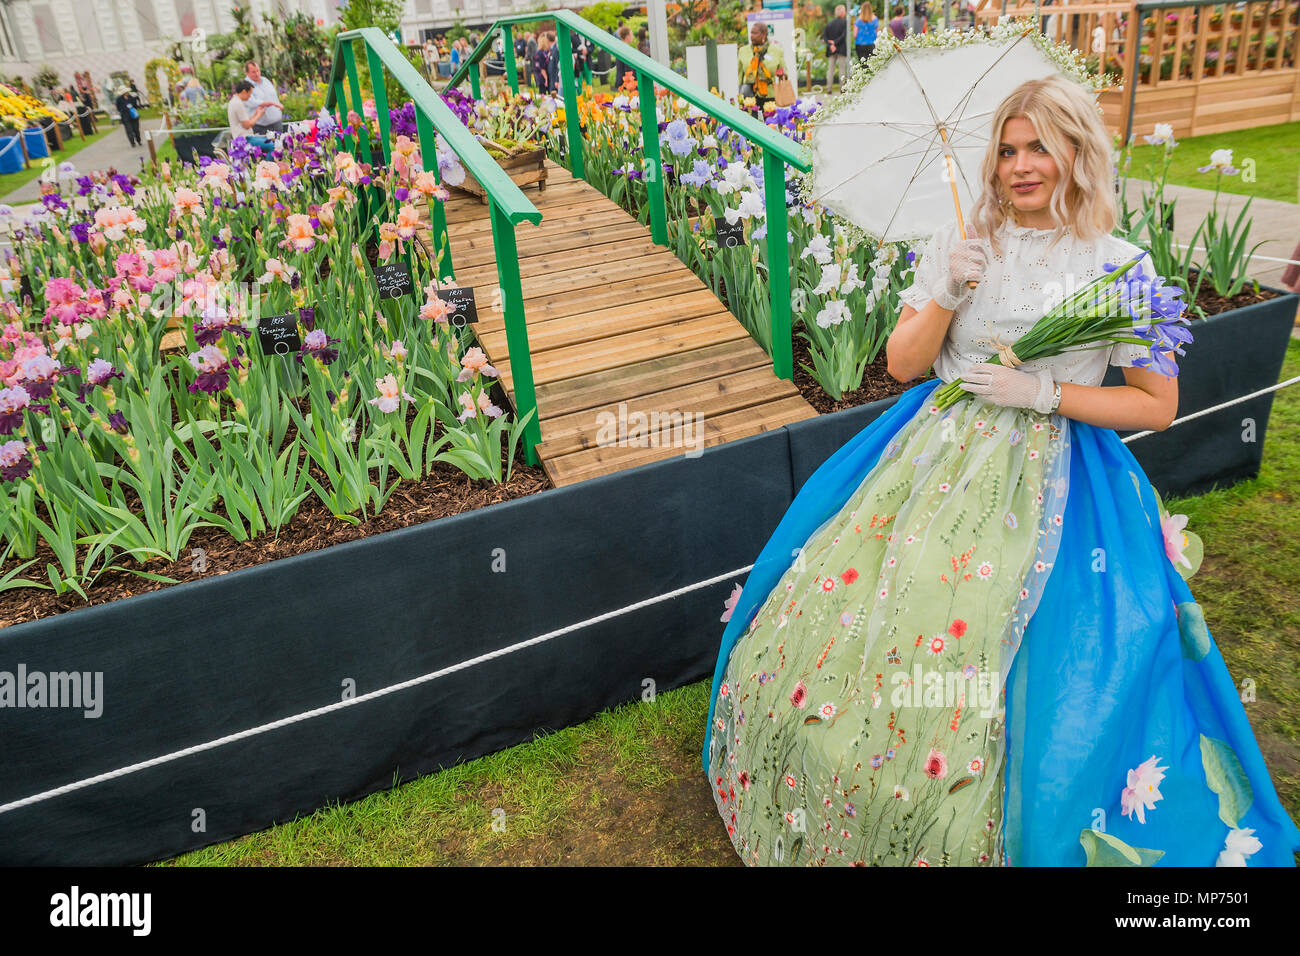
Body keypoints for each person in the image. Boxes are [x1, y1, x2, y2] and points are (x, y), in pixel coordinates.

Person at [703, 75, 1300, 867]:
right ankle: (860, 780)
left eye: (1040, 147)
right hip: (931, 457)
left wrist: (1047, 392)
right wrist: (948, 288)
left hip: (1056, 474)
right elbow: (903, 364)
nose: (1021, 166)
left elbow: (1157, 405)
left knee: (1025, 640)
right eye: (1009, 149)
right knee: (895, 602)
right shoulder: (963, 244)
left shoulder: (1122, 265)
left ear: (1076, 154)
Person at [737, 20, 787, 113]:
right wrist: (739, 95)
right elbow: (739, 75)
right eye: (751, 33)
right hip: (748, 97)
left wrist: (782, 75)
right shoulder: (743, 51)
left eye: (755, 33)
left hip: (769, 96)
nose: (752, 36)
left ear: (764, 34)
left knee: (769, 125)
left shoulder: (776, 51)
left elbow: (784, 71)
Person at [228, 80, 274, 152]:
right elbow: (247, 125)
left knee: (268, 140)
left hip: (243, 137)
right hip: (245, 139)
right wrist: (259, 115)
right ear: (244, 91)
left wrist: (256, 113)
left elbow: (245, 121)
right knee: (272, 146)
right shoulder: (238, 104)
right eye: (250, 93)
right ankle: (267, 163)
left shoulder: (234, 101)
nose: (250, 96)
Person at [243, 60, 283, 134]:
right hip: (260, 127)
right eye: (253, 72)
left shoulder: (265, 81)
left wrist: (279, 112)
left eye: (258, 70)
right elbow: (254, 102)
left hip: (277, 124)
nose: (257, 74)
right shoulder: (245, 86)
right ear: (247, 73)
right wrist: (274, 104)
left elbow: (274, 97)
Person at [823, 5, 848, 91]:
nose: (845, 12)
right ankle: (843, 89)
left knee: (830, 69)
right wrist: (835, 43)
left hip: (831, 50)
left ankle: (829, 88)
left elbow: (825, 37)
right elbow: (844, 35)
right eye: (844, 11)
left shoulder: (829, 24)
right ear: (841, 13)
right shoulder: (845, 22)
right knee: (842, 69)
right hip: (841, 49)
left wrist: (831, 45)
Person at [114, 80, 142, 148]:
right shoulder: (119, 99)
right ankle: (132, 142)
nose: (126, 93)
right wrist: (124, 109)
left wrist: (131, 107)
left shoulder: (131, 97)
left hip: (133, 116)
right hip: (125, 116)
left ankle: (138, 140)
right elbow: (118, 108)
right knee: (129, 130)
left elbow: (135, 106)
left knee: (136, 130)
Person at [613, 25, 635, 91]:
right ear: (627, 36)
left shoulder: (620, 47)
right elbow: (628, 68)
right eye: (631, 34)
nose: (632, 37)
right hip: (625, 83)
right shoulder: (625, 49)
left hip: (621, 80)